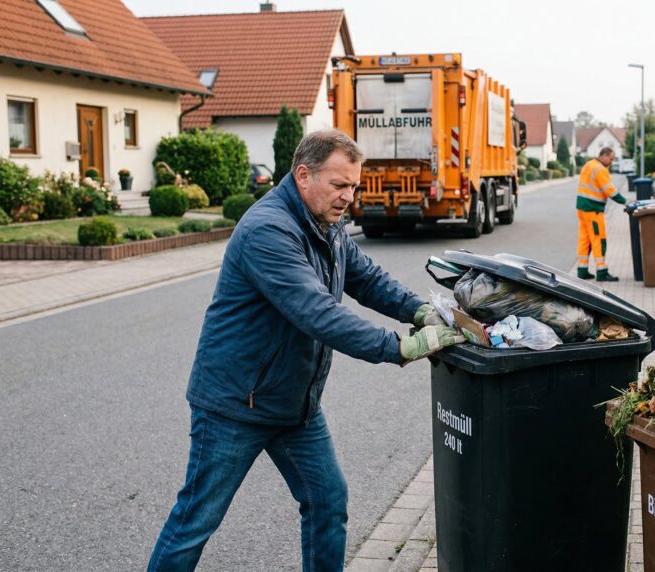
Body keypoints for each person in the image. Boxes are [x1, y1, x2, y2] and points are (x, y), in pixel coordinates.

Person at [147, 130, 464, 572]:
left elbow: (368, 280)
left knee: (327, 502)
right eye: (339, 185)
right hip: (237, 403)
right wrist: (402, 347)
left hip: (294, 403)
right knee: (196, 521)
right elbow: (316, 312)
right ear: (303, 175)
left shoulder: (327, 226)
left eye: (353, 186)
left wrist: (420, 312)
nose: (348, 197)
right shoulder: (268, 231)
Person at [576, 147, 628, 281]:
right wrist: (625, 202)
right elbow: (609, 190)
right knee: (599, 239)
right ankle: (602, 272)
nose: (611, 162)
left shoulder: (588, 165)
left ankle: (582, 271)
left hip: (582, 209)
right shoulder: (600, 170)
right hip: (593, 210)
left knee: (585, 240)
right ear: (604, 156)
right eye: (611, 159)